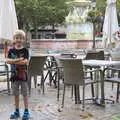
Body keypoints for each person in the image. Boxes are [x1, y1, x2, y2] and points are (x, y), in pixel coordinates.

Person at [6, 30, 30, 120]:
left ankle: (26, 111)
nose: (18, 39)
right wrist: (18, 60)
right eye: (17, 38)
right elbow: (7, 60)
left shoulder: (25, 50)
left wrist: (14, 61)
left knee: (25, 94)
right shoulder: (11, 50)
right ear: (14, 39)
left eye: (20, 38)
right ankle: (16, 111)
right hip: (14, 76)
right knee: (15, 94)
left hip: (23, 76)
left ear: (23, 39)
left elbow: (25, 62)